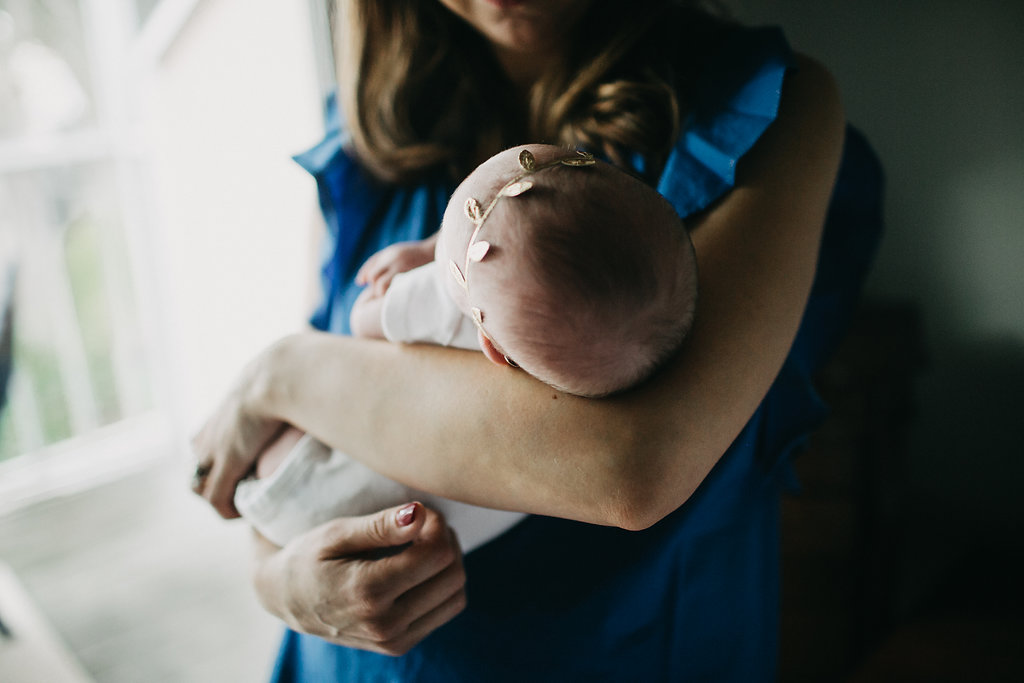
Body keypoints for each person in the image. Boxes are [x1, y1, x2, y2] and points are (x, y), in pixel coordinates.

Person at [191, 0, 884, 679]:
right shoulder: (362, 136)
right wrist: (277, 580)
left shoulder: (770, 113)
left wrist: (280, 370)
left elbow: (631, 467)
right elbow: (305, 439)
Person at [234, 142, 698, 551]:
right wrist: (444, 248)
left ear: (491, 348)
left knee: (279, 449)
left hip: (309, 491)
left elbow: (362, 322)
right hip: (452, 520)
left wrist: (421, 266)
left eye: (446, 236)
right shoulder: (588, 349)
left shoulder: (455, 297)